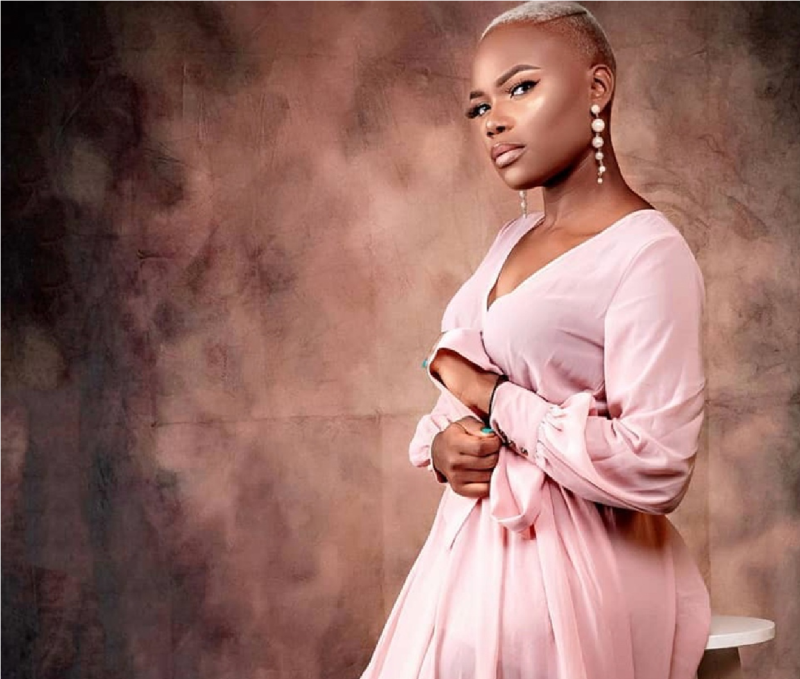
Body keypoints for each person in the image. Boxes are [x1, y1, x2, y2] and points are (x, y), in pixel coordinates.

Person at [359, 2, 711, 678]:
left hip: (575, 572)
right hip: (466, 556)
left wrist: (496, 399)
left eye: (520, 87)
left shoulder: (648, 254)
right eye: (479, 107)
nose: (493, 120)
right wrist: (444, 448)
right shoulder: (512, 239)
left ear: (597, 87)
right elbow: (462, 390)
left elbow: (658, 463)